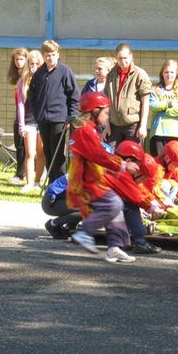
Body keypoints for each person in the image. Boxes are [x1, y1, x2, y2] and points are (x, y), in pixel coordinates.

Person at [67, 91, 140, 263]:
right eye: (106, 113)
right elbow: (98, 155)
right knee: (114, 204)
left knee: (116, 208)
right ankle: (84, 232)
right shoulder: (85, 131)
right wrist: (123, 165)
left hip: (93, 180)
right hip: (86, 183)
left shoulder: (88, 130)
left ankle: (115, 247)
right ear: (95, 111)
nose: (107, 117)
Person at [27, 40, 80, 183]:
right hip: (43, 119)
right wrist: (37, 112)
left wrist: (71, 115)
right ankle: (52, 181)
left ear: (58, 54)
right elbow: (32, 94)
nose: (50, 58)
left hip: (59, 118)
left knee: (57, 151)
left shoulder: (65, 71)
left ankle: (61, 182)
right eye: (47, 55)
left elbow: (74, 95)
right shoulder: (39, 73)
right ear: (43, 56)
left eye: (53, 54)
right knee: (48, 152)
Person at [104, 43, 152, 147]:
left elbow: (145, 101)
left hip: (133, 126)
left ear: (131, 56)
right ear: (116, 58)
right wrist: (107, 125)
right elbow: (106, 101)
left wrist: (143, 126)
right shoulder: (111, 75)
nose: (123, 61)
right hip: (114, 126)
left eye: (125, 58)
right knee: (110, 155)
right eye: (120, 58)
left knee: (132, 156)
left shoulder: (140, 74)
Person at [16, 50, 46, 193]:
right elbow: (20, 104)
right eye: (31, 63)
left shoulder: (45, 79)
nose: (34, 66)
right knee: (30, 153)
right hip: (29, 121)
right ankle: (29, 183)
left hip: (43, 121)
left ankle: (37, 182)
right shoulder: (23, 81)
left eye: (37, 63)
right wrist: (21, 124)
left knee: (41, 153)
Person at [148, 59, 178, 156]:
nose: (169, 74)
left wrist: (164, 111)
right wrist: (169, 104)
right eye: (166, 72)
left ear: (176, 73)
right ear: (162, 73)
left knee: (172, 162)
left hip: (175, 133)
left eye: (172, 72)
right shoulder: (156, 89)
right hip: (157, 132)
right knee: (158, 162)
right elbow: (153, 106)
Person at [7, 47, 29, 185]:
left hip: (28, 116)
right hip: (19, 114)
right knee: (19, 145)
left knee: (23, 146)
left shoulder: (28, 76)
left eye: (21, 59)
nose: (19, 62)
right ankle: (21, 172)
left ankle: (21, 174)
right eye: (16, 59)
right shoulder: (19, 77)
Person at [42, 174, 81, 239]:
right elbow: (52, 188)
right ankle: (53, 225)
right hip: (51, 203)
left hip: (62, 201)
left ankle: (69, 228)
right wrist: (51, 200)